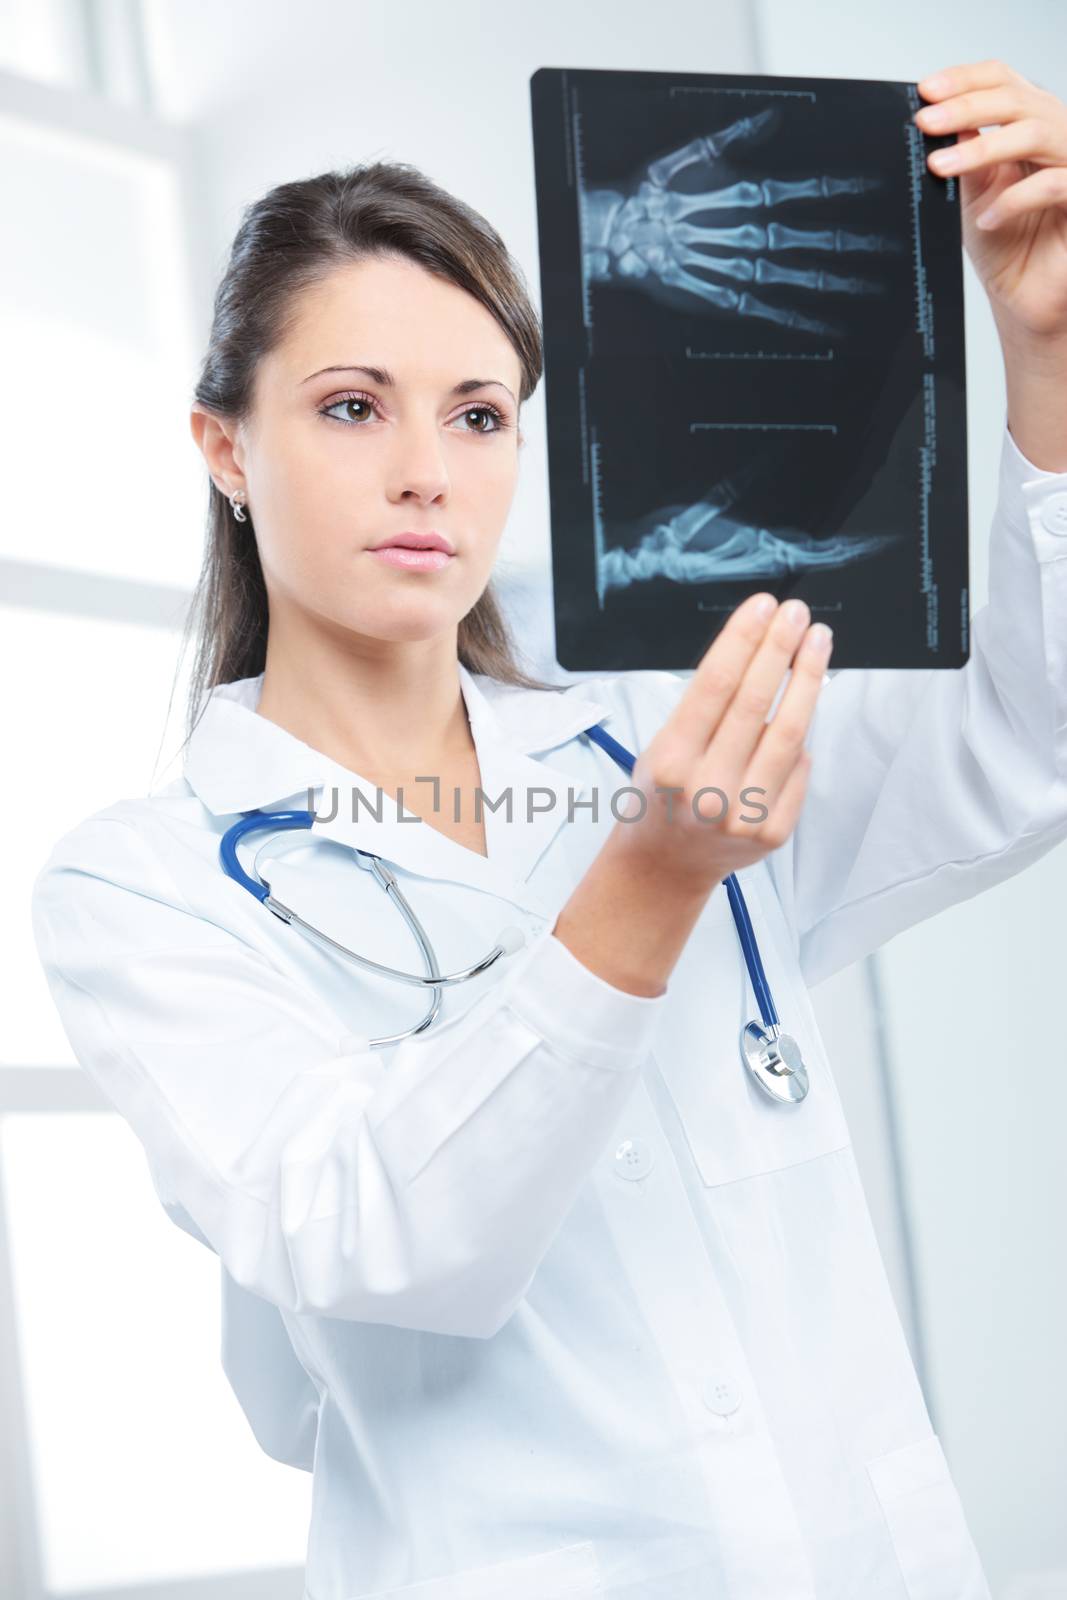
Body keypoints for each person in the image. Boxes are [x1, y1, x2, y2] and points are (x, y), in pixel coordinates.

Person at [30, 57, 1067, 1600]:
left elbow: (1021, 736)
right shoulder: (147, 884)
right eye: (350, 407)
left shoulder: (649, 714)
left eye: (478, 414)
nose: (425, 476)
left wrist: (1044, 353)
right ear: (225, 450)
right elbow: (380, 1234)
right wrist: (650, 878)